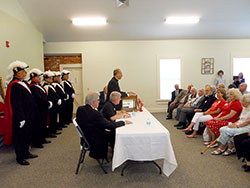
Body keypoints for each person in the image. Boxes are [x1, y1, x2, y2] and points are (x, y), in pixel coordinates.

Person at [76, 92, 132, 159]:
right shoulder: (95, 114)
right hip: (94, 138)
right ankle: (118, 156)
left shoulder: (80, 109)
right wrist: (123, 122)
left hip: (86, 136)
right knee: (114, 134)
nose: (99, 102)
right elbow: (110, 125)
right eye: (98, 100)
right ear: (93, 102)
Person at [4, 61, 37, 165]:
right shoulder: (14, 85)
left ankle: (26, 152)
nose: (25, 72)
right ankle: (20, 157)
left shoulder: (24, 83)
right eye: (23, 71)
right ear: (16, 73)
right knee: (20, 137)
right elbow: (16, 104)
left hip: (29, 115)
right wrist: (20, 118)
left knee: (27, 135)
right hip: (22, 116)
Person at [28, 68, 52, 148]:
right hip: (39, 109)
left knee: (43, 124)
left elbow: (44, 95)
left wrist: (48, 102)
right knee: (38, 126)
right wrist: (47, 103)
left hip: (43, 108)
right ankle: (37, 142)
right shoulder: (33, 87)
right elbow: (39, 98)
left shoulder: (38, 86)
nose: (39, 78)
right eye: (38, 77)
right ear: (33, 78)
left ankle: (42, 138)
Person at [43, 71, 61, 137]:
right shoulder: (46, 86)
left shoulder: (51, 85)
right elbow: (49, 96)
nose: (52, 79)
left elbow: (55, 94)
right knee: (51, 119)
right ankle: (50, 132)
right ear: (46, 79)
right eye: (50, 78)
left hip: (55, 105)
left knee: (54, 118)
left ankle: (54, 130)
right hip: (51, 105)